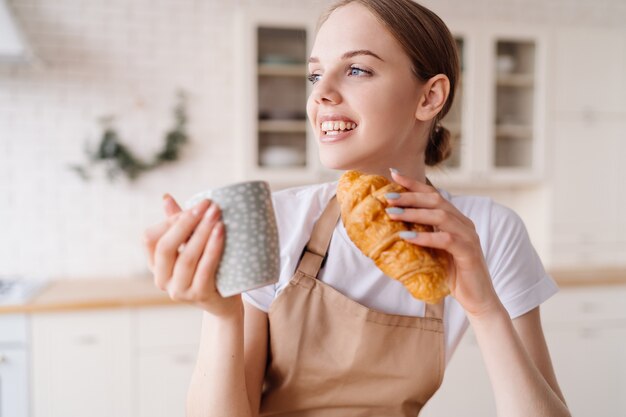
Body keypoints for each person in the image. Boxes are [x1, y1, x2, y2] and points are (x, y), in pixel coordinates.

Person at [142, 0, 571, 416]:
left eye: (356, 70)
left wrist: (484, 308)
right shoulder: (281, 220)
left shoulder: (485, 231)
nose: (321, 94)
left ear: (430, 97)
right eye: (314, 75)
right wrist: (221, 314)